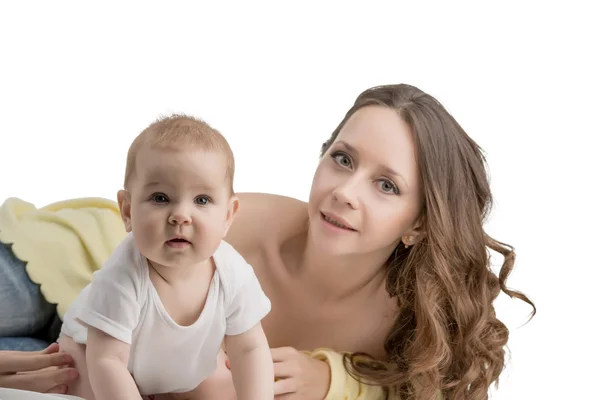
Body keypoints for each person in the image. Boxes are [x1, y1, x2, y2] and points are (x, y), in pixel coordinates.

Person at [0, 83, 535, 399]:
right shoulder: (253, 228)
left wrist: (333, 379)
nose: (345, 191)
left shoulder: (408, 318)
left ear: (419, 224)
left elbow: (422, 391)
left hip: (94, 366)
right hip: (65, 264)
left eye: (386, 185)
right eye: (342, 159)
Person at [58, 115, 274, 399]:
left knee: (223, 387)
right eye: (160, 198)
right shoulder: (123, 275)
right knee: (82, 385)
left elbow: (249, 348)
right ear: (127, 211)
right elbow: (107, 360)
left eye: (202, 200)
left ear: (228, 216)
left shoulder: (231, 272)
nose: (181, 216)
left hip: (178, 369)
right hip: (92, 351)